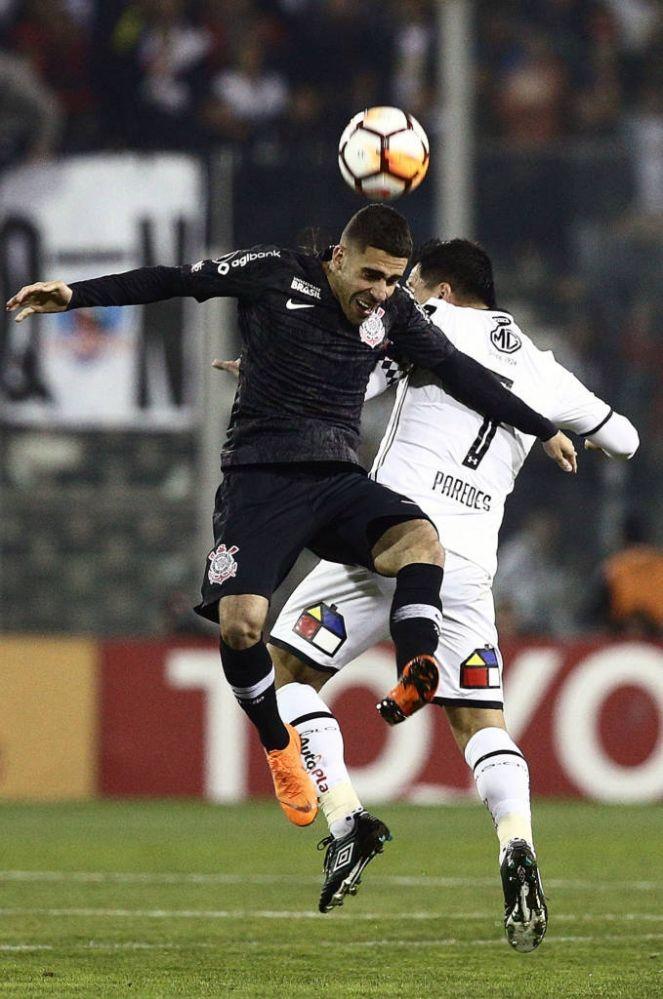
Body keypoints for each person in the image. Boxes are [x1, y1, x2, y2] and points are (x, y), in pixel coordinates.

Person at [5, 207, 576, 832]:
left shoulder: (394, 315)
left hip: (335, 480)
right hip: (261, 481)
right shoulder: (275, 274)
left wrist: (541, 426)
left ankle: (416, 665)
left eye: (392, 280)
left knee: (420, 540)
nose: (380, 292)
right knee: (243, 627)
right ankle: (279, 746)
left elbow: (463, 373)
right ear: (338, 258)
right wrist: (73, 295)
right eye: (370, 276)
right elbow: (173, 279)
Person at [261, 238, 638, 949]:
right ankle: (515, 843)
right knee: (480, 723)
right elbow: (625, 438)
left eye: (414, 284)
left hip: (388, 540)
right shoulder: (546, 370)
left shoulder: (418, 321)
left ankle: (347, 819)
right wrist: (574, 434)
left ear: (438, 288)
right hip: (468, 565)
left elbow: (350, 373)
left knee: (281, 671)